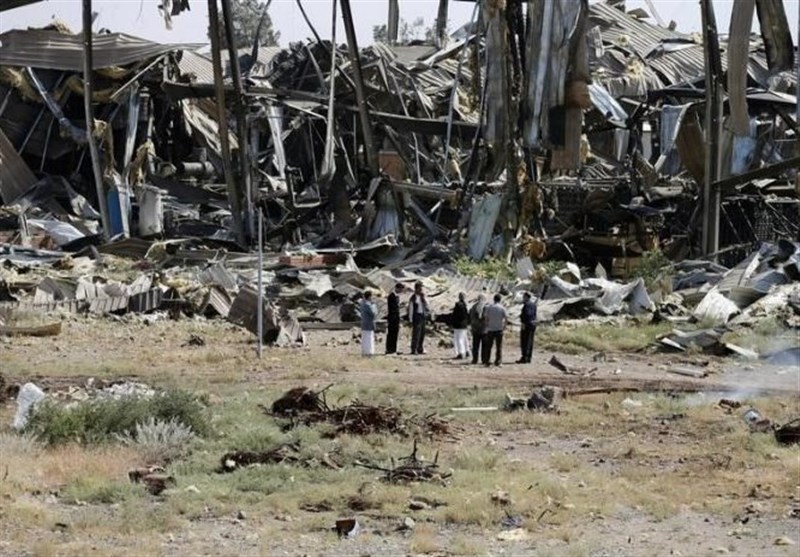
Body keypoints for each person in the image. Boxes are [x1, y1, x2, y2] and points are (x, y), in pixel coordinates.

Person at [481, 294, 507, 367]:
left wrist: (487, 325)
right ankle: (498, 361)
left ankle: (487, 361)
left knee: (489, 346)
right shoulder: (502, 308)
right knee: (499, 346)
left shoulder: (489, 307)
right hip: (499, 329)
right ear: (500, 300)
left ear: (494, 299)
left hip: (490, 329)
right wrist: (504, 326)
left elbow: (485, 318)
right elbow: (506, 318)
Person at [407, 281, 429, 355]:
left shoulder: (422, 297)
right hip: (416, 316)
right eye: (420, 288)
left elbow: (427, 305)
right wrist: (410, 319)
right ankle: (414, 349)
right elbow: (411, 309)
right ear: (416, 289)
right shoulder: (413, 298)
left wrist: (424, 298)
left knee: (422, 333)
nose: (421, 290)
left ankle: (420, 348)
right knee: (416, 334)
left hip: (422, 316)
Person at [517, 292, 538, 364]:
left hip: (527, 324)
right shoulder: (533, 304)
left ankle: (524, 357)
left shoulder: (526, 305)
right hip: (533, 324)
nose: (523, 298)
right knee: (530, 341)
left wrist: (523, 321)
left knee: (525, 341)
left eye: (524, 297)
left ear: (526, 297)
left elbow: (527, 314)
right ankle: (529, 357)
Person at [469, 294, 487, 364]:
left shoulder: (474, 307)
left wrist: (473, 325)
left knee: (475, 346)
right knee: (484, 346)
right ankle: (484, 359)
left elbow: (471, 318)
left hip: (476, 329)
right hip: (484, 329)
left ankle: (475, 359)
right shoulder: (486, 307)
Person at [451, 292, 470, 360]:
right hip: (465, 324)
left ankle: (461, 353)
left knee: (458, 339)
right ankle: (467, 351)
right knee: (465, 338)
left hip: (458, 324)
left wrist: (452, 321)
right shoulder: (466, 305)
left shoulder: (458, 304)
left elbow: (455, 315)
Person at [385, 283, 403, 354]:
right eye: (400, 289)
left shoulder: (397, 296)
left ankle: (393, 349)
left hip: (396, 318)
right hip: (392, 318)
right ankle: (389, 349)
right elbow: (392, 308)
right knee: (391, 334)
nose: (401, 291)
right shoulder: (391, 296)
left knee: (395, 334)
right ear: (397, 288)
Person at [360, 290, 377, 357]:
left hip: (364, 323)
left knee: (365, 338)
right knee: (369, 339)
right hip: (369, 323)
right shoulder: (368, 305)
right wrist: (374, 305)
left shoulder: (363, 304)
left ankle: (365, 352)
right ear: (369, 297)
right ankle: (369, 352)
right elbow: (373, 313)